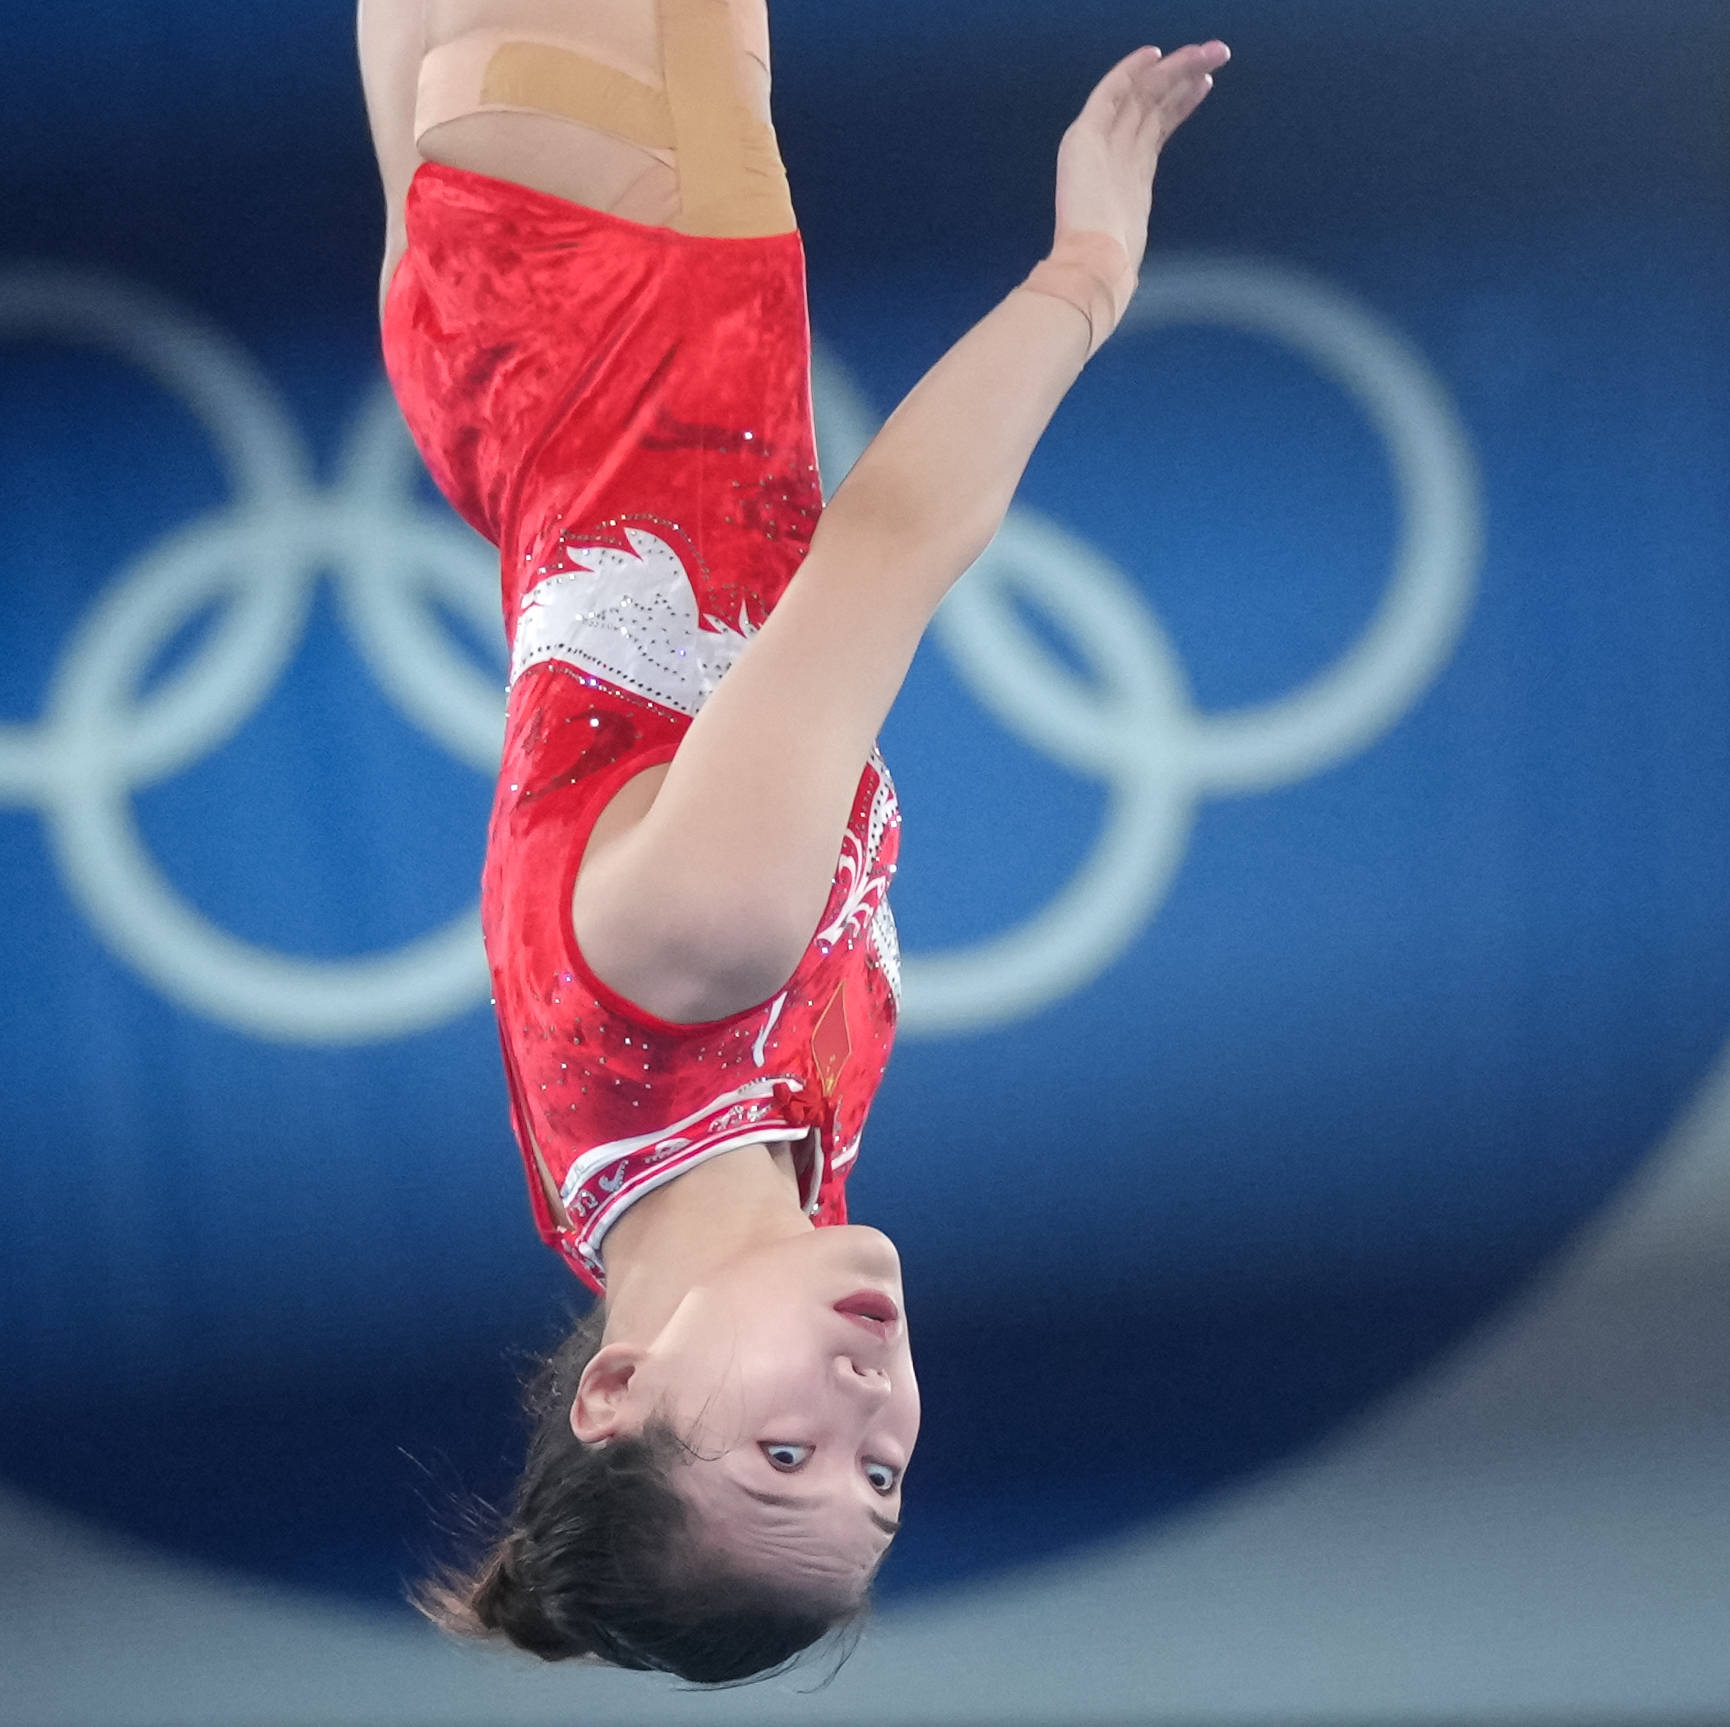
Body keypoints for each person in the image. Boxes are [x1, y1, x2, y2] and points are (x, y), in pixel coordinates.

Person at [361, 0, 1228, 1681]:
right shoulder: (691, 1164)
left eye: (782, 1457)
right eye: (881, 1475)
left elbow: (889, 550)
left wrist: (1086, 277)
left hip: (617, 263)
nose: (863, 1410)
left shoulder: (698, 958)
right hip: (510, 369)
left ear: (618, 1389)